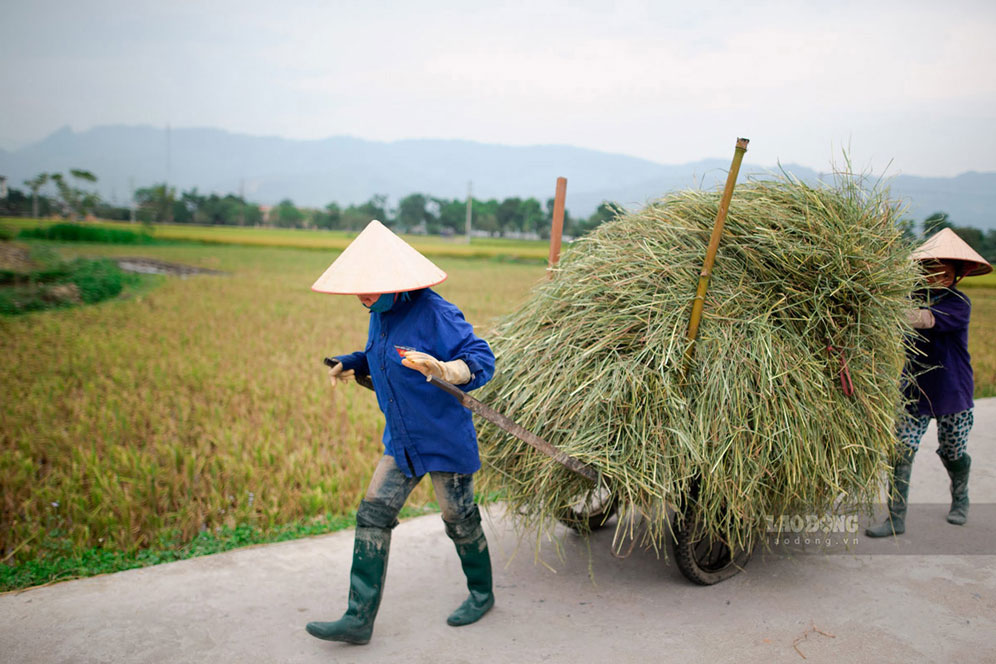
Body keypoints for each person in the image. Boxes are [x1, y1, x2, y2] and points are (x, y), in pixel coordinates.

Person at [304, 219, 497, 645]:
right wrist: (353, 361)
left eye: (370, 285)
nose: (361, 294)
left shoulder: (435, 312)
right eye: (358, 285)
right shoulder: (381, 311)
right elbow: (382, 355)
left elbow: (481, 356)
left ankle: (482, 594)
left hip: (444, 439)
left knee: (458, 518)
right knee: (373, 515)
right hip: (403, 442)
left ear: (396, 281)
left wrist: (445, 368)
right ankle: (358, 618)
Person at [867, 228, 991, 537]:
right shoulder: (909, 296)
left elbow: (923, 319)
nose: (937, 276)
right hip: (914, 389)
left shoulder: (959, 305)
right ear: (921, 270)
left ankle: (960, 499)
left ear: (956, 275)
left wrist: (883, 306)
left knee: (953, 451)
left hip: (953, 390)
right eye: (931, 269)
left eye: (944, 272)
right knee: (901, 450)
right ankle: (895, 519)